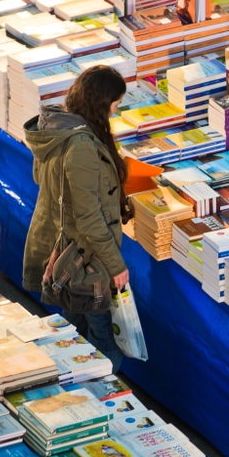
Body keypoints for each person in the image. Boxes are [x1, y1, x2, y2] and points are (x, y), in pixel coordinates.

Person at [22, 65, 133, 374]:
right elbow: (89, 218)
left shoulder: (56, 129)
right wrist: (116, 266)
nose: (117, 108)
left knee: (75, 331)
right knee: (107, 346)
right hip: (85, 260)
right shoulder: (81, 145)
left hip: (70, 255)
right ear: (102, 102)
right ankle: (106, 401)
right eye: (116, 102)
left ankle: (74, 384)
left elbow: (39, 178)